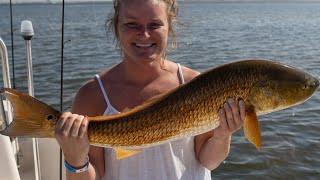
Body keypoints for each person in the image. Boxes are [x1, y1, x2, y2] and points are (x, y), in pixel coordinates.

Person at [54, 0, 246, 179]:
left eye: (155, 24)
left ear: (169, 27)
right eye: (132, 24)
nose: (144, 34)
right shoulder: (92, 95)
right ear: (116, 27)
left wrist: (222, 135)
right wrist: (75, 160)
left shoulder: (195, 84)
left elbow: (208, 161)